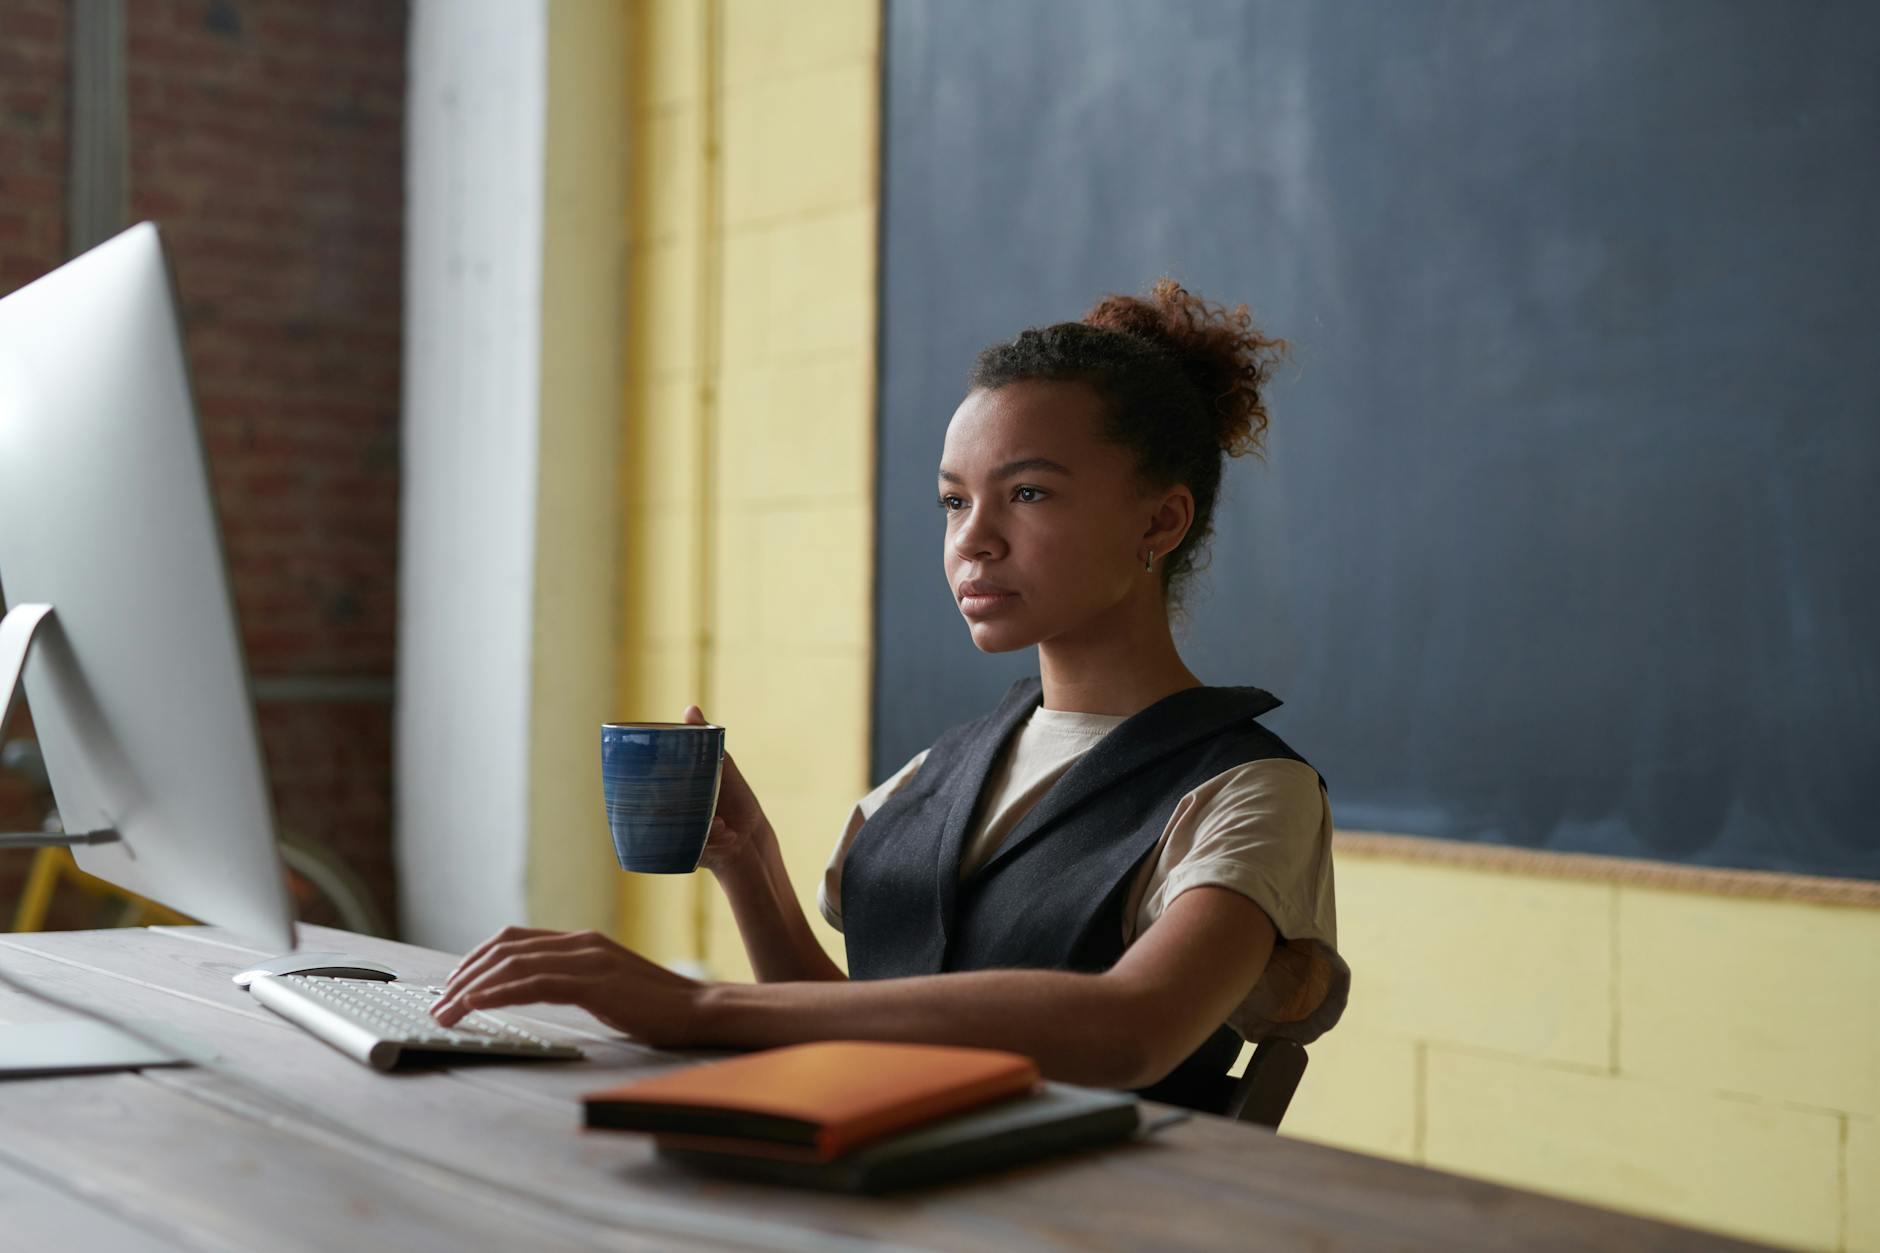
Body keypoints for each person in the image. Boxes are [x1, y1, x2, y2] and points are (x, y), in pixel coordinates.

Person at [433, 279, 1350, 1111]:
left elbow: (1131, 1027)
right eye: (954, 501)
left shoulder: (1250, 790)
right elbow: (856, 1024)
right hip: (877, 1183)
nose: (973, 540)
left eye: (1027, 493)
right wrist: (753, 868)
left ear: (1161, 518)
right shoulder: (942, 767)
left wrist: (696, 1005)